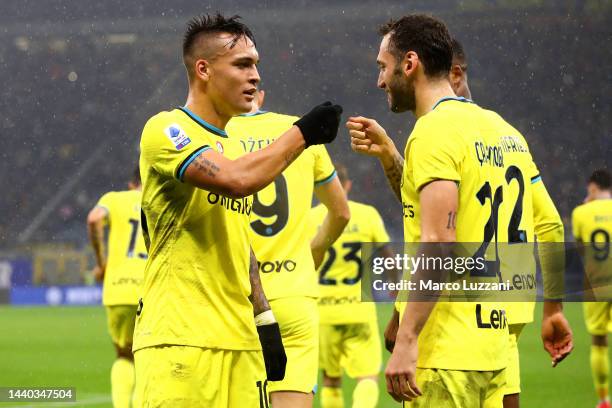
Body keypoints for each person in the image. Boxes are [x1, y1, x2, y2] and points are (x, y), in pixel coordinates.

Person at [346, 14, 573, 405]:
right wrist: (552, 310)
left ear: (410, 63)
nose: (380, 81)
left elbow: (439, 240)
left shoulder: (434, 131)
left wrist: (407, 339)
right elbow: (550, 224)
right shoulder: (504, 130)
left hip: (445, 351)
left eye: (383, 67)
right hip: (498, 349)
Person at [133, 13, 343, 407]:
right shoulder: (165, 130)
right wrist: (303, 133)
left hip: (242, 340)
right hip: (180, 340)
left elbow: (239, 243)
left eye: (256, 65)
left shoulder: (230, 146)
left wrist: (264, 318)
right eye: (243, 65)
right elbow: (234, 180)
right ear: (204, 69)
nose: (255, 76)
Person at [226, 90, 350, 407]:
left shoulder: (216, 138)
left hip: (237, 298)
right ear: (262, 96)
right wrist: (314, 253)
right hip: (294, 294)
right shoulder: (300, 133)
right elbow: (340, 212)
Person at [310, 164, 390, 408]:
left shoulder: (310, 218)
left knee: (331, 380)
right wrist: (394, 288)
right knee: (367, 376)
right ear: (347, 185)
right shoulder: (367, 214)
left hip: (323, 311)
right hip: (359, 309)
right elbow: (387, 255)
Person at [86, 166, 146, 408]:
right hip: (151, 288)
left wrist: (102, 265)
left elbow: (94, 218)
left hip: (118, 289)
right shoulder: (162, 197)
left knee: (124, 354)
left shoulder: (115, 199)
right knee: (147, 357)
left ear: (131, 183)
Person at [573, 169, 612, 408]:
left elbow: (581, 249)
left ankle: (604, 400)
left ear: (593, 187)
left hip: (596, 284)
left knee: (599, 341)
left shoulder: (581, 213)